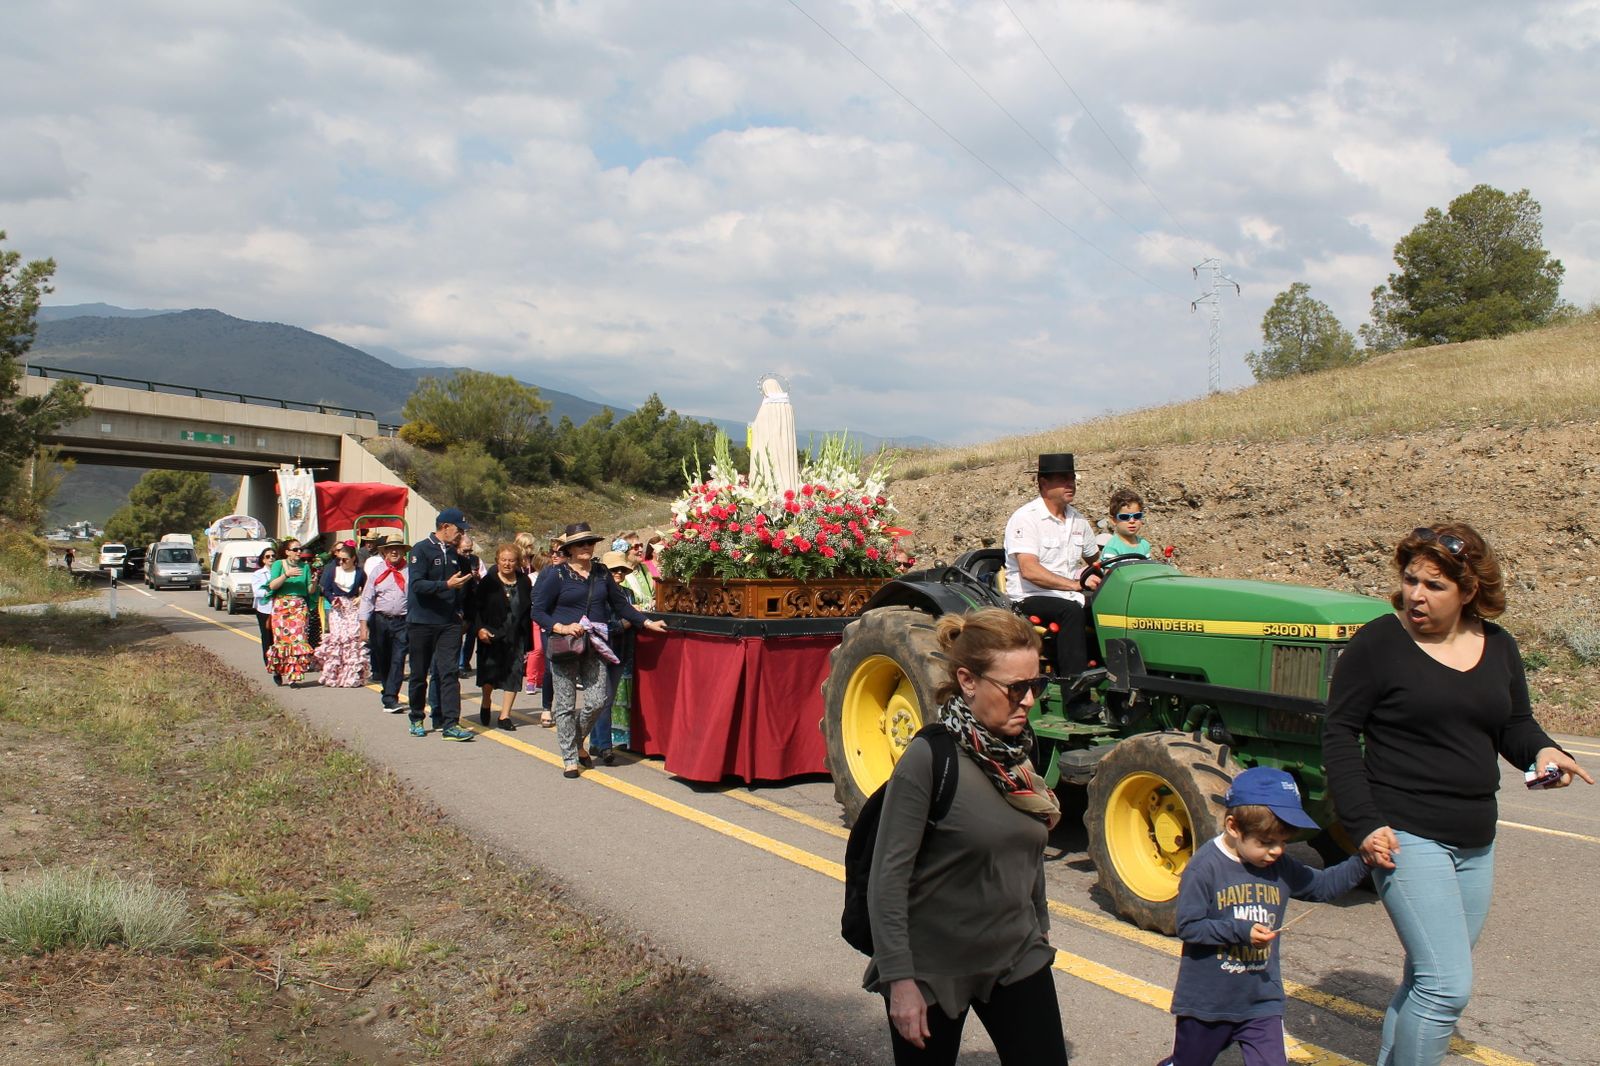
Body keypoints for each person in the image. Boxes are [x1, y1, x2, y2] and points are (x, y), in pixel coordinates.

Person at [1323, 523, 1592, 1066]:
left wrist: (1542, 751)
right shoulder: (1379, 642)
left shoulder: (1498, 644)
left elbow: (1514, 724)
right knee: (1446, 988)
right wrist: (1363, 822)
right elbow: (1337, 734)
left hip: (1475, 839)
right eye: (1410, 580)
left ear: (1469, 591)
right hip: (1405, 833)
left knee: (1427, 979)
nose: (1416, 595)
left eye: (1435, 585)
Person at [866, 607, 1065, 1065]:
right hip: (932, 970)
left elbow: (1027, 853)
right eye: (1015, 688)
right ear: (968, 680)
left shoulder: (1016, 754)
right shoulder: (929, 759)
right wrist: (900, 981)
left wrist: (1040, 929)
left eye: (1036, 685)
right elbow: (887, 879)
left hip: (1016, 955)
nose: (1028, 701)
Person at [1160, 767, 1370, 1066]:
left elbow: (1322, 886)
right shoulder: (1204, 867)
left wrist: (1365, 859)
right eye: (1266, 842)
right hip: (1208, 1004)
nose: (1276, 851)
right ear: (1233, 826)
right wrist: (1241, 931)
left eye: (1283, 841)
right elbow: (1189, 926)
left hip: (1261, 1001)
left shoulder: (1280, 865)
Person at [532, 522, 666, 778]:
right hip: (564, 644)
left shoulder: (602, 573)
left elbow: (621, 605)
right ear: (569, 549)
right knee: (565, 705)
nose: (586, 547)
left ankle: (576, 740)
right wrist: (561, 627)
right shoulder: (556, 574)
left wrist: (647, 622)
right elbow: (537, 611)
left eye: (590, 543)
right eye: (580, 544)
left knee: (596, 702)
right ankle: (570, 758)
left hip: (596, 645)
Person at [1003, 453, 1101, 701]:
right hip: (1030, 595)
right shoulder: (1026, 519)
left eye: (1072, 478)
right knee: (1071, 611)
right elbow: (1029, 570)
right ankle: (1075, 697)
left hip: (1069, 594)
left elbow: (1097, 561)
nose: (1071, 484)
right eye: (1063, 479)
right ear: (1043, 483)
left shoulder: (1078, 520)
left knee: (1111, 607)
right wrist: (1076, 585)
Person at [406, 508, 476, 742]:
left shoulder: (457, 556)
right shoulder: (420, 549)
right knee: (419, 673)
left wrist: (462, 611)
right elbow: (416, 584)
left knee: (449, 673)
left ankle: (450, 723)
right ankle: (417, 716)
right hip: (422, 621)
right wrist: (445, 585)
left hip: (448, 623)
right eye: (458, 530)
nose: (461, 535)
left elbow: (466, 586)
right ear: (445, 527)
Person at [473, 543, 532, 730]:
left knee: (514, 674)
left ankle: (504, 716)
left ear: (517, 562)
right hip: (491, 634)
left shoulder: (524, 581)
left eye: (511, 561)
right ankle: (486, 700)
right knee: (490, 675)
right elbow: (476, 609)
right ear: (497, 560)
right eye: (504, 560)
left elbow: (529, 608)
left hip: (516, 635)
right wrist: (479, 629)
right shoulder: (488, 582)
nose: (507, 564)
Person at [359, 534, 410, 712]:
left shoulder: (410, 572)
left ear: (403, 551)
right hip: (380, 620)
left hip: (403, 621)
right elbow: (367, 598)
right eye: (391, 548)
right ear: (385, 552)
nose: (394, 551)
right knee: (383, 658)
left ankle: (390, 698)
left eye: (398, 548)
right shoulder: (378, 571)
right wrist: (363, 625)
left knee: (398, 659)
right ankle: (387, 688)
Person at [315, 542, 370, 688]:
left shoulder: (359, 573)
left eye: (345, 559)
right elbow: (325, 589)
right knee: (338, 639)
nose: (341, 562)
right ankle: (334, 674)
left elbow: (367, 588)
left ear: (353, 559)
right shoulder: (333, 571)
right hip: (338, 609)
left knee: (352, 639)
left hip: (352, 608)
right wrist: (332, 599)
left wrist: (360, 597)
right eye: (339, 559)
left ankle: (351, 675)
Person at [264, 538, 317, 686]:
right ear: (287, 552)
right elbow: (273, 586)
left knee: (299, 641)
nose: (299, 552)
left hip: (299, 606)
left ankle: (294, 675)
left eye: (300, 549)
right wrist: (286, 575)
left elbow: (309, 591)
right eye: (295, 549)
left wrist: (314, 582)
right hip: (282, 606)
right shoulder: (278, 564)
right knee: (282, 642)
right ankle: (279, 669)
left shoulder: (305, 567)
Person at [1099, 488, 1153, 560]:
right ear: (1114, 520)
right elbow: (1109, 571)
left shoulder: (1144, 544)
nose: (1132, 521)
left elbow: (1149, 568)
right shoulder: (1112, 547)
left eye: (1137, 516)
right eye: (1125, 517)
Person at [250, 545, 278, 676]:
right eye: (268, 556)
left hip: (280, 609)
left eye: (273, 556)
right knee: (267, 637)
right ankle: (269, 662)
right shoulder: (258, 574)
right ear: (263, 560)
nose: (271, 558)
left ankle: (279, 663)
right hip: (265, 610)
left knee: (279, 638)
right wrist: (271, 591)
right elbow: (257, 592)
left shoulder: (280, 572)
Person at [621, 540, 655, 610]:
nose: (641, 549)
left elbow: (655, 593)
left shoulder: (647, 567)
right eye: (636, 547)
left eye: (641, 545)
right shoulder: (617, 573)